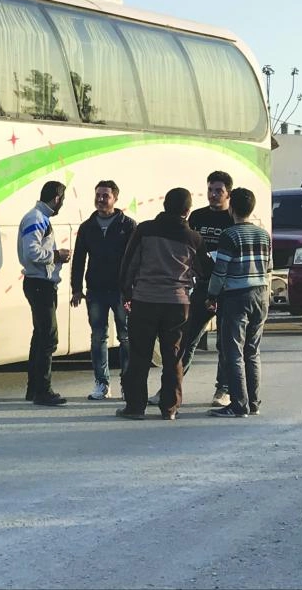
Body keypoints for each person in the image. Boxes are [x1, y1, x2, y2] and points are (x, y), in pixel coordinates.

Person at [116, 188, 211, 420]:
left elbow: (129, 264)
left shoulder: (145, 230)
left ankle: (135, 407)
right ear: (187, 210)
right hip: (178, 304)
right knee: (173, 357)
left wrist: (127, 293)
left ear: (164, 205)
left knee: (139, 356)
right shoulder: (194, 239)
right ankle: (169, 408)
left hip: (144, 301)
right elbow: (205, 271)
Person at [150, 170, 235, 407]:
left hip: (227, 288)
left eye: (218, 191)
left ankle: (223, 390)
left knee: (226, 342)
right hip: (202, 286)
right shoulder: (196, 217)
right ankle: (168, 389)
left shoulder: (232, 218)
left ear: (228, 193)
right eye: (210, 190)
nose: (213, 195)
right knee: (186, 340)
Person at [206, 188, 272, 418]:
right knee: (252, 351)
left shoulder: (230, 235)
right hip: (261, 294)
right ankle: (253, 403)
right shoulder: (264, 235)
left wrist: (211, 295)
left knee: (233, 352)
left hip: (236, 296)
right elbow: (269, 268)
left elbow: (220, 270)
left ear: (231, 207)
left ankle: (238, 405)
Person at [70, 180, 137, 401]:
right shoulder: (87, 226)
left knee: (126, 337)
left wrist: (133, 288)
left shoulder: (127, 225)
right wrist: (76, 288)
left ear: (115, 199)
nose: (100, 199)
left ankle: (128, 383)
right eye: (98, 195)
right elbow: (79, 258)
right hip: (96, 290)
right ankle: (101, 383)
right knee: (98, 336)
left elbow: (136, 258)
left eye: (105, 196)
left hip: (121, 291)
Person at [18, 181, 71, 406]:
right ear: (57, 199)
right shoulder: (37, 218)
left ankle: (34, 388)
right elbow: (32, 253)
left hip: (39, 283)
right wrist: (56, 255)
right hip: (40, 284)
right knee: (49, 338)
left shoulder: (39, 217)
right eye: (63, 200)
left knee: (40, 336)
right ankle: (43, 390)